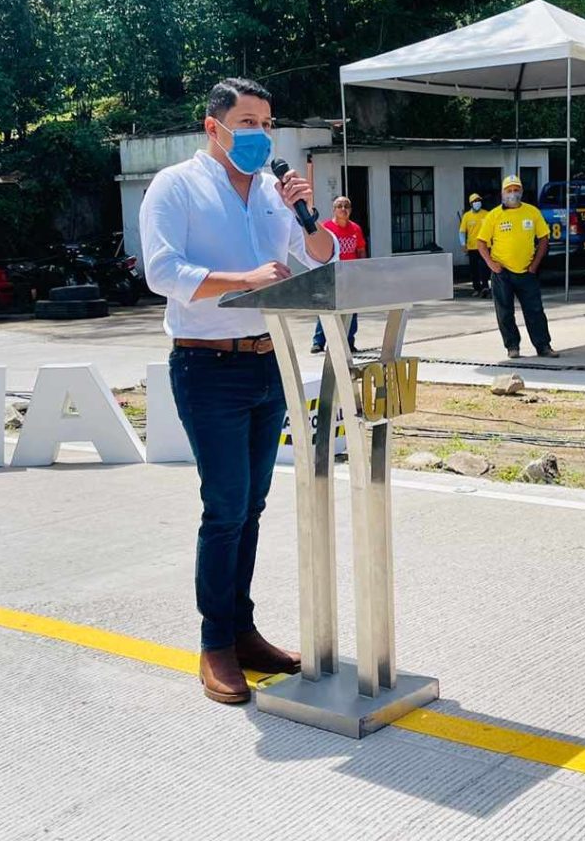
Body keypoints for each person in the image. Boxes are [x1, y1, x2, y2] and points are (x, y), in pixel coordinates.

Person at [139, 77, 337, 704]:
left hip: (266, 362)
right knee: (224, 510)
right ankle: (215, 644)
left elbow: (318, 262)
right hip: (208, 368)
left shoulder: (277, 198)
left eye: (266, 123)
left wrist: (308, 215)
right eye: (247, 122)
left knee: (251, 507)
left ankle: (244, 632)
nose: (259, 134)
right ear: (213, 126)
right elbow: (161, 271)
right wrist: (242, 280)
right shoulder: (176, 186)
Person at [477, 174, 559, 359]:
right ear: (502, 193)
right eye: (509, 190)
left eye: (516, 190)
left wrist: (534, 265)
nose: (512, 194)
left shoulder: (532, 212)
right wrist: (492, 264)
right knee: (505, 312)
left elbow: (544, 239)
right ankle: (512, 346)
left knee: (535, 310)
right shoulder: (494, 215)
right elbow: (481, 242)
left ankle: (543, 346)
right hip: (502, 272)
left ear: (521, 192)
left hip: (527, 271)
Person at [311, 195, 367, 353]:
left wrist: (362, 269)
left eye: (347, 206)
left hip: (350, 276)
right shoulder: (325, 227)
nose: (344, 209)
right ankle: (318, 342)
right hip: (330, 274)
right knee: (327, 308)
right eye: (340, 206)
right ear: (334, 210)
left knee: (351, 310)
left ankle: (349, 342)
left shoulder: (356, 228)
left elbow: (361, 250)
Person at [458, 193, 490, 297]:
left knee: (485, 267)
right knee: (474, 269)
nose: (477, 203)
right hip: (472, 247)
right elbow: (462, 232)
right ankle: (477, 288)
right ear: (471, 203)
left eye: (478, 201)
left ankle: (485, 286)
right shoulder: (467, 216)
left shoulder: (487, 214)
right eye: (475, 201)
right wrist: (463, 244)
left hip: (486, 246)